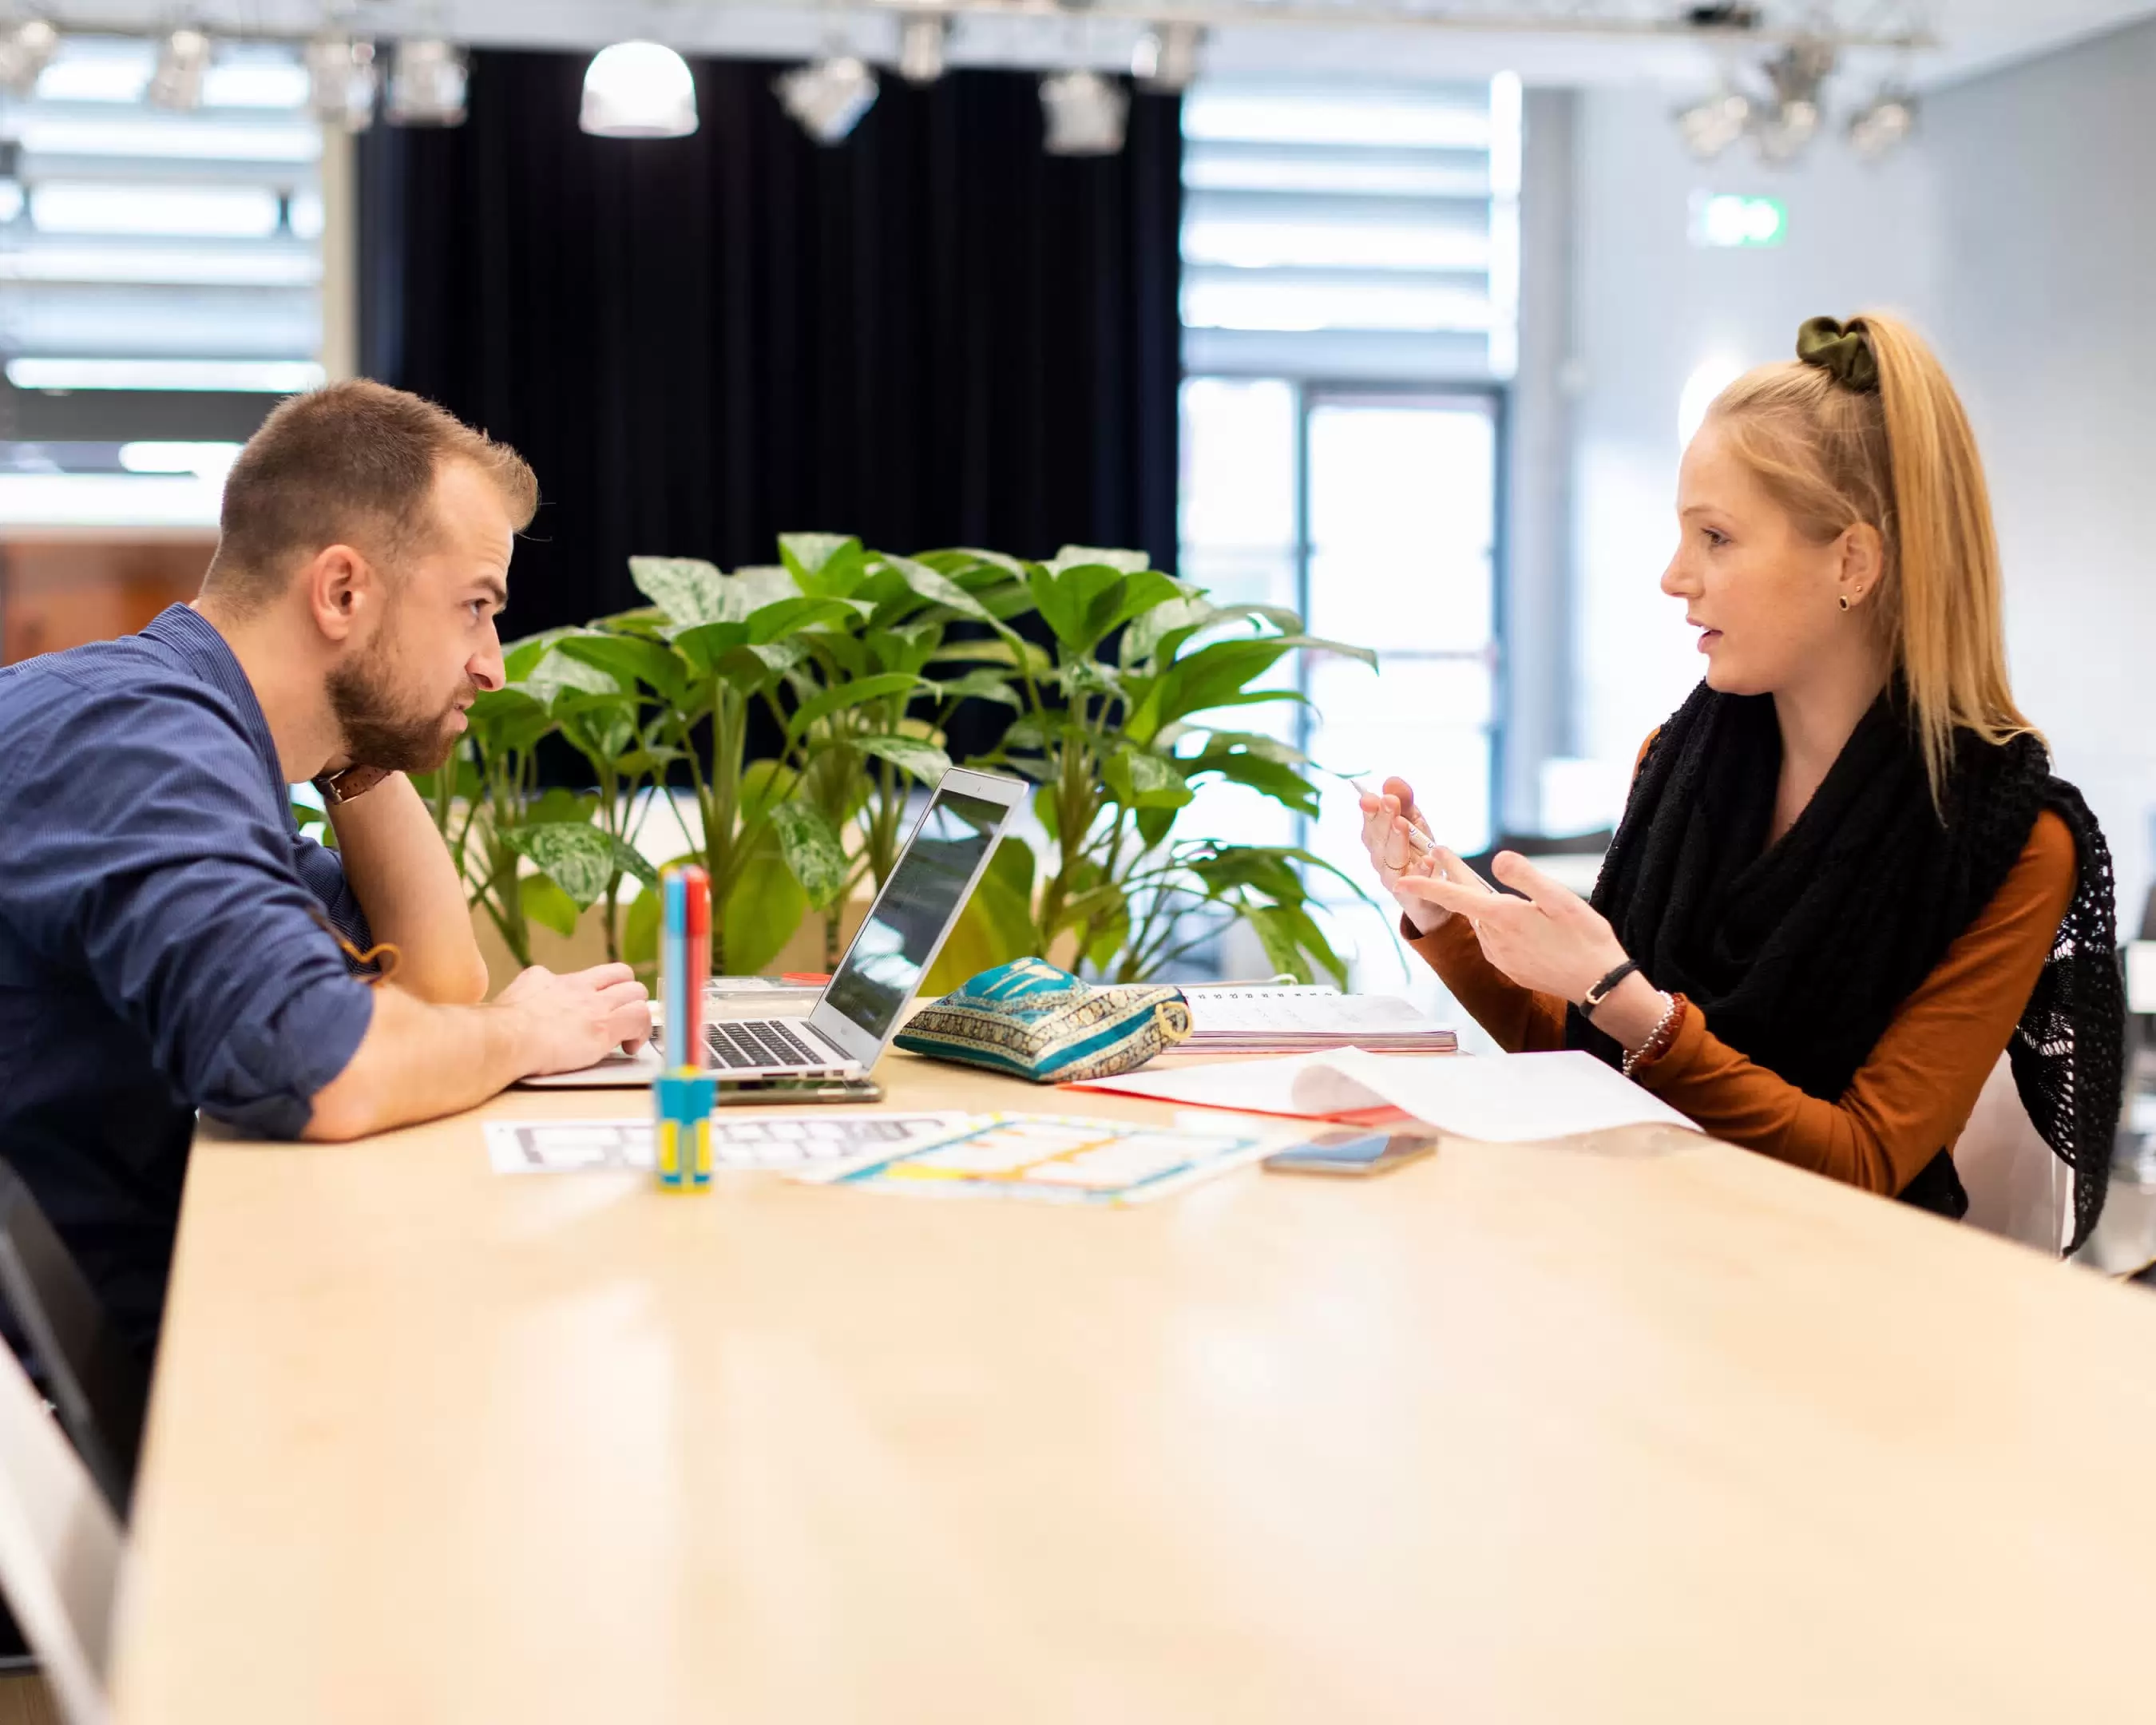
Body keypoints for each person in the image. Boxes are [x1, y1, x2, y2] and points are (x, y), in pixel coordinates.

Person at [1360, 312, 2122, 1249]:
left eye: (1716, 537)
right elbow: (1587, 1060)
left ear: (1852, 561)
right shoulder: (1675, 762)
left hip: (1845, 1299)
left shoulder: (2010, 841)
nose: (1675, 577)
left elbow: (1860, 1165)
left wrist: (1621, 994)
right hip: (1635, 1249)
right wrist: (1445, 911)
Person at [0, 381, 652, 1360]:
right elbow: (327, 1064)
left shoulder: (199, 736)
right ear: (342, 592)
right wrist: (525, 1033)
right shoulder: (137, 743)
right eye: (474, 609)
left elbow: (432, 985)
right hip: (108, 1400)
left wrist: (360, 736)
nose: (493, 666)